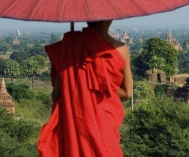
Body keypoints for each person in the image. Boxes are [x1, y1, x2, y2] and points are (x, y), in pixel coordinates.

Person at [38, 20, 133, 157]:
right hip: (104, 124)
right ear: (111, 19)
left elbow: (56, 94)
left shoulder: (69, 48)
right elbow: (127, 93)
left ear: (87, 19)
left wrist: (79, 84)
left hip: (74, 126)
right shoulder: (120, 49)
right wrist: (101, 86)